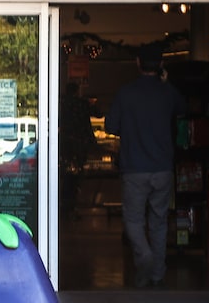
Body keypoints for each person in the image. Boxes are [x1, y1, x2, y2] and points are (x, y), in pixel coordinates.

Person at [105, 43, 186, 289]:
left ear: (138, 63)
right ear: (161, 65)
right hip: (162, 168)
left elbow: (109, 127)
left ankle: (146, 259)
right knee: (159, 221)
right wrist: (166, 82)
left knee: (133, 221)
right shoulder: (167, 93)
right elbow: (184, 109)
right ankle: (157, 273)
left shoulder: (125, 93)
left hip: (135, 169)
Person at [59, 81, 98, 217]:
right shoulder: (82, 103)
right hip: (79, 143)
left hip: (65, 143)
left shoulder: (61, 103)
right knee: (75, 176)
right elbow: (98, 114)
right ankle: (70, 204)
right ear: (76, 91)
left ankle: (65, 204)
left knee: (67, 175)